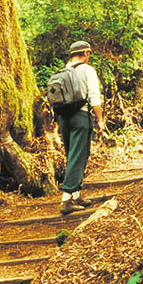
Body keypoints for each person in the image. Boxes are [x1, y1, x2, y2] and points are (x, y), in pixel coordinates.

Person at [57, 41, 105, 215]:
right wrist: (100, 119)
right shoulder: (87, 70)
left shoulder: (63, 71)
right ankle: (66, 200)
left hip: (63, 118)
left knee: (72, 154)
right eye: (89, 53)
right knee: (78, 155)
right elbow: (94, 96)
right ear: (85, 53)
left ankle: (76, 195)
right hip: (80, 117)